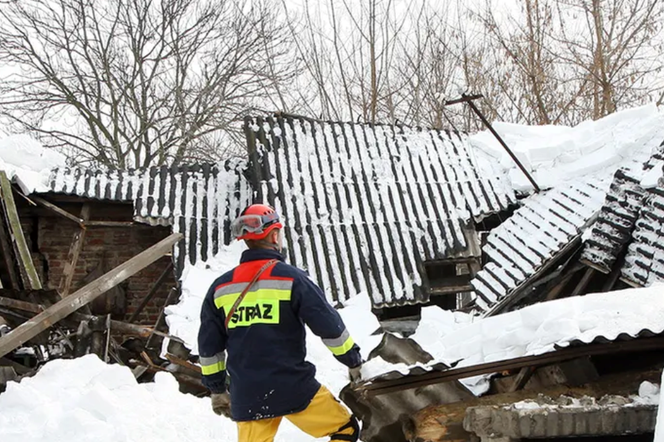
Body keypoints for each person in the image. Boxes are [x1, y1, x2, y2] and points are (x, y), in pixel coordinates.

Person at [198, 203, 363, 442]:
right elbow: (330, 327)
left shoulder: (220, 287)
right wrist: (353, 361)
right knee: (345, 430)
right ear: (275, 235)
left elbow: (209, 347)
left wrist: (216, 389)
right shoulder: (292, 279)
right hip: (293, 387)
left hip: (247, 393)